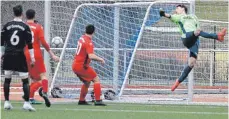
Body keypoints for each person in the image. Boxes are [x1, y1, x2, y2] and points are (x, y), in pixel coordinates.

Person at [159, 4, 227, 91]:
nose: (176, 10)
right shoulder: (178, 17)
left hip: (194, 41)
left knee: (191, 63)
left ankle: (178, 82)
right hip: (186, 37)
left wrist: (197, 38)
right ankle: (217, 36)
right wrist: (163, 14)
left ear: (183, 8)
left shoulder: (193, 17)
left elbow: (198, 28)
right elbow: (169, 16)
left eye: (177, 8)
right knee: (197, 32)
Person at [1, 5, 36, 111]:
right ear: (22, 14)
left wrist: (1, 54)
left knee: (7, 79)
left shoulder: (6, 26)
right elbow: (30, 44)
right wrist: (32, 57)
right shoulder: (25, 27)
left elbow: (1, 42)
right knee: (25, 80)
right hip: (19, 54)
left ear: (13, 13)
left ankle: (6, 102)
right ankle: (26, 103)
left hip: (8, 54)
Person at [24, 9, 59, 107]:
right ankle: (44, 91)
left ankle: (30, 98)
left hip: (26, 54)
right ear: (34, 16)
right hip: (36, 54)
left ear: (26, 16)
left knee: (34, 78)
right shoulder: (38, 27)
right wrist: (52, 54)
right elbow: (43, 42)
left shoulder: (23, 27)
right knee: (43, 77)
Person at [72, 24, 106, 106]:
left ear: (85, 30)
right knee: (96, 79)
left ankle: (81, 100)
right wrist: (100, 59)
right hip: (81, 66)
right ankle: (98, 100)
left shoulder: (82, 38)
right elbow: (91, 55)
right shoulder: (88, 42)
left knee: (87, 82)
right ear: (94, 32)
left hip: (75, 65)